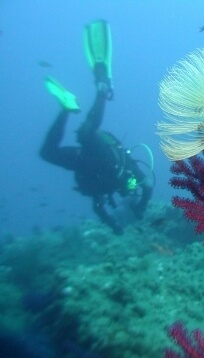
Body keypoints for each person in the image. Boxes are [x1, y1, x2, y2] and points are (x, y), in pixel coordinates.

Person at [40, 20, 153, 234]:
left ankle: (65, 108)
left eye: (127, 192)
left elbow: (98, 207)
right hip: (102, 153)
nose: (127, 191)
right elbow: (147, 186)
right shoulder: (128, 169)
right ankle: (103, 88)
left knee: (47, 153)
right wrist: (141, 206)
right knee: (85, 133)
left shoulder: (106, 191)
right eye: (130, 189)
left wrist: (115, 226)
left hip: (82, 161)